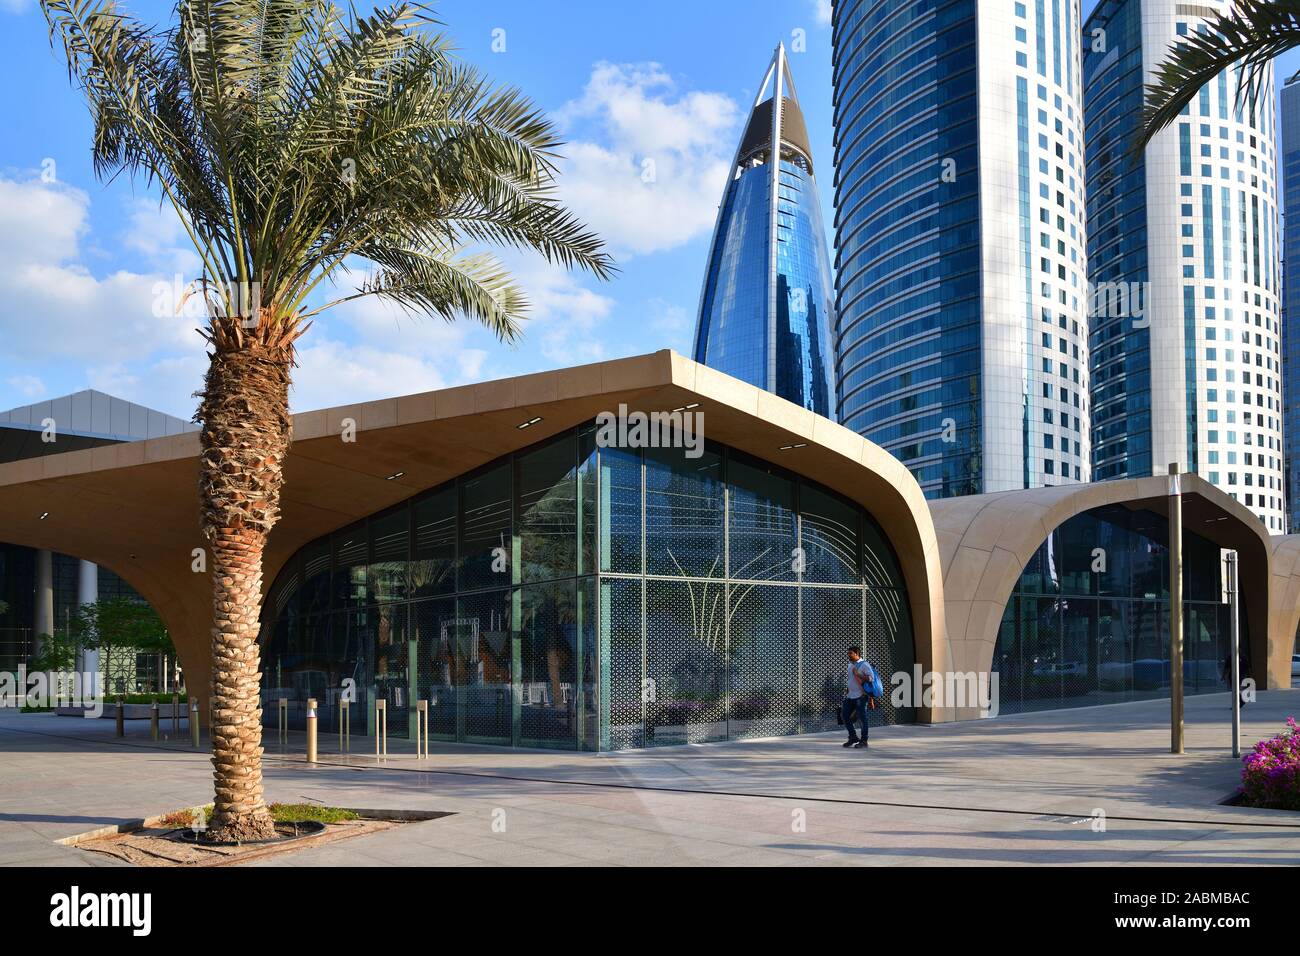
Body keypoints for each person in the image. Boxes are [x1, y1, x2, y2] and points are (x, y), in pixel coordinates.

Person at [842, 645, 877, 750]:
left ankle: (864, 740)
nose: (848, 655)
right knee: (844, 715)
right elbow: (851, 679)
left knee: (862, 719)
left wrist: (858, 674)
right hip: (850, 696)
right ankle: (853, 737)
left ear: (856, 654)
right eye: (848, 653)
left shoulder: (864, 664)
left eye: (850, 653)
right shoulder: (850, 665)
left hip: (861, 696)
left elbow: (871, 678)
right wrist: (848, 689)